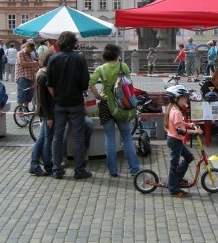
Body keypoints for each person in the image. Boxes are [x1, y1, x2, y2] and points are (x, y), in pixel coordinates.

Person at [89, 44, 141, 178]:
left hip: (106, 105)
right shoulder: (123, 66)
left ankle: (113, 170)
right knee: (127, 137)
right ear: (117, 54)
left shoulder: (101, 69)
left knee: (110, 137)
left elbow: (91, 82)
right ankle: (134, 169)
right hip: (123, 104)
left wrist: (97, 95)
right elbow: (129, 83)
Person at [46, 31, 92, 180]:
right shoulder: (79, 59)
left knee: (57, 136)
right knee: (78, 136)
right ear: (74, 43)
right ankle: (79, 169)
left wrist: (57, 97)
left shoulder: (53, 59)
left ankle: (57, 168)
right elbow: (85, 84)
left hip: (59, 103)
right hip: (76, 102)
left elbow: (49, 84)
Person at [164, 85, 202, 198]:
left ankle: (178, 179)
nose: (186, 100)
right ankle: (173, 189)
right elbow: (180, 131)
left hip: (175, 140)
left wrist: (188, 124)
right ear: (176, 98)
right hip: (175, 140)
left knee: (189, 157)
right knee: (174, 165)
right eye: (184, 97)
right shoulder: (176, 112)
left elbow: (180, 124)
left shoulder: (173, 109)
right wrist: (195, 132)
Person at [29, 50, 55, 177]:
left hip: (46, 111)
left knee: (42, 139)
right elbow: (43, 99)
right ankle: (47, 165)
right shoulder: (43, 76)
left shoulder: (42, 73)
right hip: (47, 111)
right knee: (47, 140)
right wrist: (49, 116)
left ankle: (35, 164)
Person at [15, 41, 39, 107]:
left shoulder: (30, 55)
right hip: (22, 76)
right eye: (31, 49)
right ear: (27, 47)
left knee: (29, 95)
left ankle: (26, 108)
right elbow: (23, 64)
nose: (31, 51)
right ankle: (20, 108)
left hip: (31, 76)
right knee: (22, 94)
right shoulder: (20, 53)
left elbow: (33, 65)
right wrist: (34, 63)